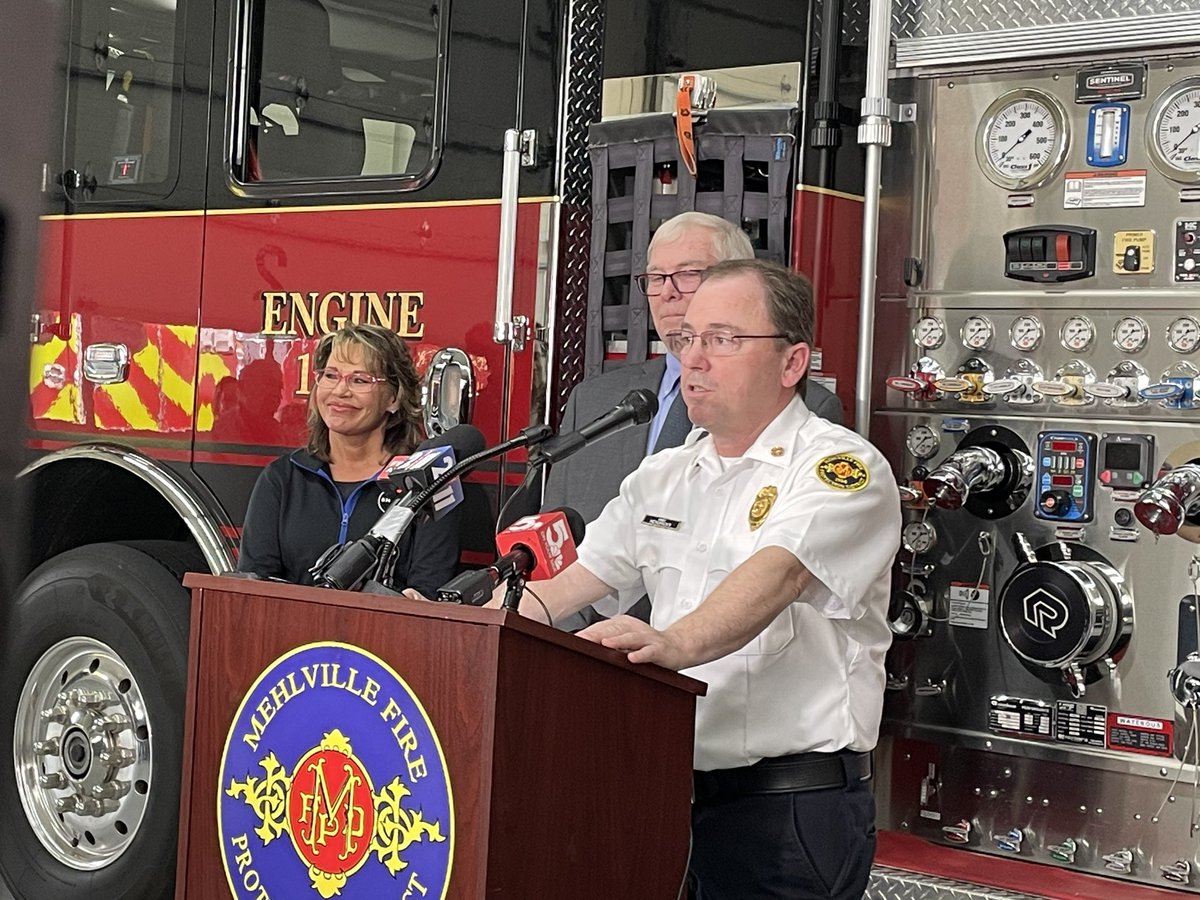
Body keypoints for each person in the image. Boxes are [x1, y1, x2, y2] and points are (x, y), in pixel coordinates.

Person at [505, 260, 901, 899]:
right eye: (686, 338)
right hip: (664, 797)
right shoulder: (664, 475)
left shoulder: (841, 467)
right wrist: (464, 624)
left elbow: (777, 575)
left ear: (792, 362)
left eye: (722, 339)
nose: (692, 358)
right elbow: (563, 589)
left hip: (787, 812)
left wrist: (674, 644)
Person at [544, 211, 842, 627]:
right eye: (656, 278)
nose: (667, 293)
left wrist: (668, 645)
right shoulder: (597, 403)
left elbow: (783, 574)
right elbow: (563, 555)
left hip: (712, 655)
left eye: (687, 275)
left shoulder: (819, 427)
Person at [238, 323, 459, 596]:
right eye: (331, 376)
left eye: (360, 380)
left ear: (394, 397)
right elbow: (254, 586)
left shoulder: (430, 483)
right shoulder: (282, 478)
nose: (340, 391)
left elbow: (428, 590)